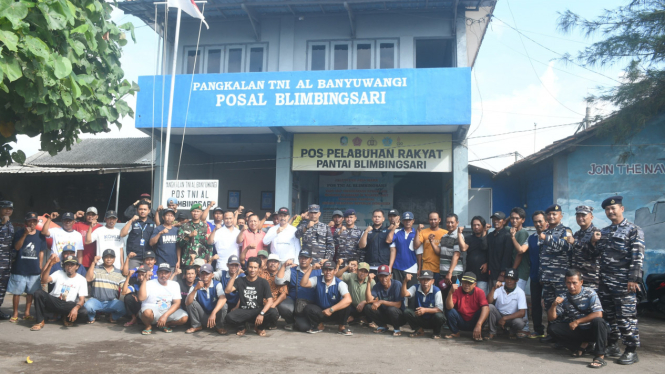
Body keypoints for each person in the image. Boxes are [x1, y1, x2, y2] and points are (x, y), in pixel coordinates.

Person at [588, 196, 644, 365]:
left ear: (622, 209)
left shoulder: (634, 230)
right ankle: (612, 345)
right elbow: (594, 255)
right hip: (605, 283)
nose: (610, 212)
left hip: (624, 283)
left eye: (613, 208)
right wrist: (593, 242)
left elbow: (638, 256)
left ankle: (631, 350)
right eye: (607, 210)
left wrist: (634, 279)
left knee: (626, 317)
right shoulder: (604, 232)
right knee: (608, 316)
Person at [547, 269, 608, 369]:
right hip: (579, 331)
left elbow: (598, 313)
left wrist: (577, 321)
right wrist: (553, 305)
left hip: (593, 330)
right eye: (568, 283)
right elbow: (551, 318)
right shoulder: (564, 297)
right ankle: (581, 347)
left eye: (574, 283)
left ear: (581, 282)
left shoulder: (590, 293)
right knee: (552, 329)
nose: (571, 286)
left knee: (599, 321)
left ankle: (599, 356)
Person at [539, 204, 574, 343]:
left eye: (555, 214)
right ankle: (552, 334)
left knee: (561, 307)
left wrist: (545, 238)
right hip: (547, 277)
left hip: (560, 277)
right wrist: (541, 275)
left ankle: (562, 336)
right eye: (550, 214)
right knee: (548, 306)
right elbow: (542, 256)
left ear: (561, 216)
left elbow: (567, 246)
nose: (552, 216)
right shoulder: (545, 232)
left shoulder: (566, 231)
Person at [30, 254, 88, 331]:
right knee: (38, 293)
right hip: (54, 301)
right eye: (67, 264)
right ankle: (40, 321)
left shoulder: (82, 279)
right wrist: (50, 265)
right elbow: (43, 281)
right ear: (64, 266)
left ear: (77, 267)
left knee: (84, 312)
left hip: (68, 304)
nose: (69, 267)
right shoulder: (59, 273)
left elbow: (82, 300)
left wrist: (75, 309)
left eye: (72, 265)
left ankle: (65, 317)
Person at [224, 256, 278, 337]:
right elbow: (227, 291)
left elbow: (270, 301)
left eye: (255, 267)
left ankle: (259, 327)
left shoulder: (263, 282)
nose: (252, 270)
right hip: (244, 310)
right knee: (229, 317)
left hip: (257, 310)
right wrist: (235, 275)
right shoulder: (240, 280)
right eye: (250, 267)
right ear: (247, 267)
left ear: (259, 269)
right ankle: (242, 327)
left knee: (273, 312)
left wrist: (262, 314)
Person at [8, 212, 46, 322]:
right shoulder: (19, 233)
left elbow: (41, 252)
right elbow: (17, 247)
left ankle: (27, 312)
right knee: (17, 292)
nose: (32, 223)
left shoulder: (40, 235)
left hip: (34, 269)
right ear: (26, 222)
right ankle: (15, 313)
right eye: (30, 221)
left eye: (34, 221)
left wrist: (40, 266)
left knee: (31, 292)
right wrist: (25, 234)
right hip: (20, 268)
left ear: (37, 222)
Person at [300, 260, 353, 335]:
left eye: (330, 270)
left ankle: (341, 327)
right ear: (322, 271)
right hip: (322, 312)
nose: (328, 272)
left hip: (335, 312)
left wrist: (331, 310)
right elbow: (303, 284)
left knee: (346, 306)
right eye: (325, 269)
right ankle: (319, 325)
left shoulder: (340, 283)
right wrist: (311, 268)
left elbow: (348, 299)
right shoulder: (317, 279)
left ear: (335, 271)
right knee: (308, 308)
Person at [275, 251, 322, 331]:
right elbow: (278, 281)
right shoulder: (292, 270)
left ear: (311, 260)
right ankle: (291, 322)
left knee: (304, 328)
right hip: (294, 301)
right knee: (283, 306)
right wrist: (284, 265)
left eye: (306, 258)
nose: (303, 260)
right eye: (301, 258)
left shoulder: (318, 271)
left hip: (310, 304)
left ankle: (302, 320)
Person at [138, 263, 188, 334]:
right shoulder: (149, 283)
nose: (163, 275)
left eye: (166, 273)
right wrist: (145, 280)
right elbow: (141, 298)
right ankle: (148, 326)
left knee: (184, 317)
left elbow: (177, 303)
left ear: (170, 273)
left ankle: (164, 324)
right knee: (147, 313)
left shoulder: (175, 284)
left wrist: (165, 316)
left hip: (166, 311)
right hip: (152, 312)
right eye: (161, 273)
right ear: (157, 273)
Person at [84, 250, 126, 324]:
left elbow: (125, 288)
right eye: (106, 257)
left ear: (114, 259)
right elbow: (88, 279)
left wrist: (132, 292)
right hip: (96, 300)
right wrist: (93, 263)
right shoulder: (96, 269)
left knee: (124, 308)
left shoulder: (119, 273)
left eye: (111, 257)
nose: (109, 259)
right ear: (103, 258)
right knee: (87, 306)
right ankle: (92, 316)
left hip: (111, 302)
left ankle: (113, 317)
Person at [444, 272, 489, 341]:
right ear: (461, 282)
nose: (466, 285)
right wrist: (450, 292)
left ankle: (477, 333)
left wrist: (479, 324)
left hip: (474, 322)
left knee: (484, 310)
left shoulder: (480, 292)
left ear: (475, 284)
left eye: (469, 283)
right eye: (464, 282)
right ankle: (455, 332)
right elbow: (449, 307)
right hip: (461, 321)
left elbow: (486, 308)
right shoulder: (457, 290)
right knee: (450, 311)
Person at [185, 263, 228, 334]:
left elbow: (223, 298)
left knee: (224, 305)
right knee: (191, 301)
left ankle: (219, 326)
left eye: (207, 274)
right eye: (203, 274)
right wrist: (195, 289)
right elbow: (187, 303)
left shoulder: (217, 284)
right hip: (203, 315)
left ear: (212, 275)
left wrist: (213, 313)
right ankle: (197, 325)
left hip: (214, 316)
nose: (205, 276)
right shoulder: (195, 286)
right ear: (200, 275)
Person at [364, 264, 405, 336]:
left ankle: (397, 328)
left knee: (391, 309)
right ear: (378, 276)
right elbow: (368, 300)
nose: (383, 279)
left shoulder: (397, 284)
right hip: (386, 314)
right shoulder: (377, 286)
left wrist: (381, 301)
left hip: (399, 316)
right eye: (381, 276)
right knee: (368, 307)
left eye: (385, 276)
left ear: (390, 276)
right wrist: (369, 282)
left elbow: (398, 305)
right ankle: (382, 326)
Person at [401, 270, 445, 339]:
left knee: (439, 316)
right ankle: (419, 330)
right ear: (419, 280)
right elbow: (404, 294)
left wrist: (425, 310)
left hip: (432, 320)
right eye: (423, 279)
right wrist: (405, 281)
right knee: (407, 312)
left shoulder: (437, 290)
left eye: (428, 279)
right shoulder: (415, 287)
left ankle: (437, 332)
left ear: (433, 281)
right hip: (420, 319)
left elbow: (439, 309)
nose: (425, 282)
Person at [508, 207, 530, 336]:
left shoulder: (522, 233)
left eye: (517, 218)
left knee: (520, 298)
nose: (514, 220)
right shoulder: (513, 231)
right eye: (512, 218)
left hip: (520, 271)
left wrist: (513, 271)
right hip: (515, 271)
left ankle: (525, 327)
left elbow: (520, 253)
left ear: (523, 220)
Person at [486, 268, 527, 339]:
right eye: (507, 278)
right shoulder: (500, 287)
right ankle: (492, 332)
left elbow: (522, 313)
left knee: (520, 323)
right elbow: (488, 302)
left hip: (511, 317)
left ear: (516, 280)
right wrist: (493, 288)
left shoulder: (520, 292)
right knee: (489, 307)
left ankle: (512, 332)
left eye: (512, 279)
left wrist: (505, 318)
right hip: (499, 315)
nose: (509, 281)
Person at [433, 213, 465, 299]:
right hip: (444, 273)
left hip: (453, 274)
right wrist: (432, 242)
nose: (449, 224)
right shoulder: (444, 236)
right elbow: (439, 252)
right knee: (444, 298)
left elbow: (456, 254)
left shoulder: (458, 236)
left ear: (457, 223)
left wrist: (450, 272)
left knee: (453, 298)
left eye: (452, 222)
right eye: (447, 222)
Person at [527, 210, 548, 339]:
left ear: (546, 222)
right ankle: (538, 330)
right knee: (535, 304)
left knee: (550, 304)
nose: (538, 224)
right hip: (535, 276)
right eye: (535, 221)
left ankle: (552, 333)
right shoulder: (532, 238)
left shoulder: (551, 236)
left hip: (549, 277)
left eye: (540, 221)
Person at [336, 260, 375, 325]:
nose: (362, 273)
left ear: (368, 273)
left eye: (365, 272)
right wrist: (347, 266)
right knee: (344, 305)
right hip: (352, 306)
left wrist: (364, 302)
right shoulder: (351, 276)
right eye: (361, 271)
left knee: (369, 307)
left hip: (364, 307)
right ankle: (356, 319)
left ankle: (366, 320)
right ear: (357, 271)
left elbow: (376, 299)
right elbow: (336, 276)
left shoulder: (372, 281)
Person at [120, 201, 156, 269]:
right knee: (132, 277)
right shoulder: (132, 222)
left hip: (148, 258)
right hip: (134, 257)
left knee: (147, 278)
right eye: (140, 209)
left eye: (145, 209)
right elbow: (122, 234)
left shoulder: (153, 224)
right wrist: (131, 221)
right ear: (137, 210)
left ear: (149, 211)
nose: (142, 211)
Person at [571, 205, 600, 291]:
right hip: (577, 279)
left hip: (590, 279)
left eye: (583, 215)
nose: (580, 218)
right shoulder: (576, 234)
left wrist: (575, 242)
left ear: (591, 217)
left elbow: (595, 252)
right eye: (578, 216)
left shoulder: (596, 233)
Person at [413, 212, 447, 281]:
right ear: (428, 220)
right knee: (426, 290)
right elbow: (416, 246)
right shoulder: (423, 232)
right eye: (431, 219)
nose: (433, 221)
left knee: (438, 290)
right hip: (426, 267)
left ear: (439, 220)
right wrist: (418, 231)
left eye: (435, 219)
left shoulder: (445, 233)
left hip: (440, 268)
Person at [258, 254, 288, 329]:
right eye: (271, 261)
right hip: (258, 302)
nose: (273, 263)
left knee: (273, 313)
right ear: (267, 263)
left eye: (275, 262)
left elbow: (283, 294)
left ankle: (270, 324)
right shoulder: (260, 273)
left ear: (278, 264)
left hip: (272, 304)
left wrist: (274, 305)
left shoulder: (281, 275)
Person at [388, 212, 417, 288]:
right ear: (402, 221)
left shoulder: (417, 234)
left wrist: (419, 269)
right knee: (398, 292)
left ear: (413, 221)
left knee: (411, 294)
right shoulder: (397, 232)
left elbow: (419, 254)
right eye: (406, 220)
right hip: (397, 267)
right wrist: (394, 227)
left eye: (410, 220)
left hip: (412, 267)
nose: (408, 222)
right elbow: (388, 240)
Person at [461, 216, 489, 294]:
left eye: (478, 225)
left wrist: (487, 263)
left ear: (483, 226)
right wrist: (459, 233)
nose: (476, 227)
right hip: (470, 274)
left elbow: (490, 252)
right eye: (474, 225)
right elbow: (464, 248)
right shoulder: (469, 238)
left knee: (481, 298)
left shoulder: (488, 238)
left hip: (482, 276)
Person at [487, 211, 513, 284]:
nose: (495, 221)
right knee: (491, 294)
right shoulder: (490, 235)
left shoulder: (507, 236)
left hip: (500, 274)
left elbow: (507, 256)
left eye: (498, 219)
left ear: (504, 221)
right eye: (494, 219)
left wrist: (503, 272)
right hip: (490, 272)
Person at [0, 200, 14, 320]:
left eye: (10, 209)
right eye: (5, 208)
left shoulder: (10, 224)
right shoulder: (3, 222)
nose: (8, 210)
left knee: (2, 289)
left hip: (6, 264)